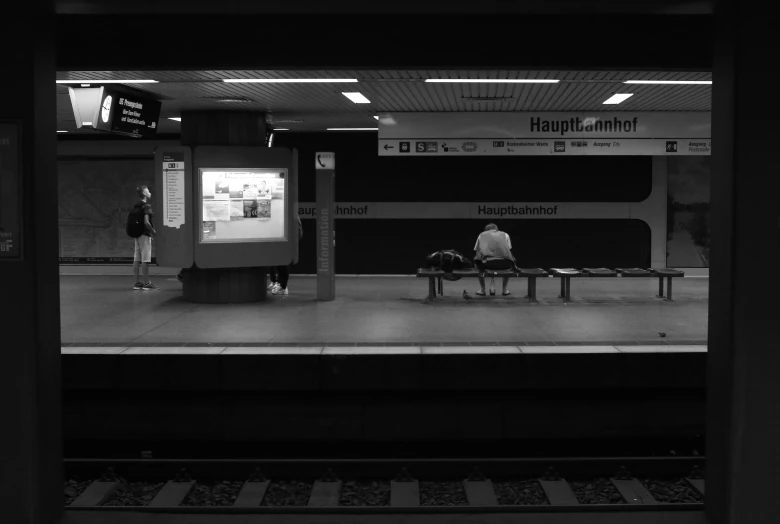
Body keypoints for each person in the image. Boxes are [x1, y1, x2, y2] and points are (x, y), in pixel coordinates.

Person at [473, 223, 516, 296]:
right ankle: (505, 290)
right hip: (505, 264)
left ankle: (482, 290)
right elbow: (508, 249)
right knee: (510, 259)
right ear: (497, 229)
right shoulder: (505, 234)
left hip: (486, 264)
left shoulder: (481, 235)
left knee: (477, 262)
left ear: (485, 230)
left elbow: (477, 250)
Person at [132, 185, 160, 290]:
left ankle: (137, 283)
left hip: (137, 234)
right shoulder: (146, 206)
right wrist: (153, 232)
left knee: (136, 258)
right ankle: (147, 283)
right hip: (145, 234)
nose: (150, 192)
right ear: (144, 193)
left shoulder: (136, 205)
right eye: (148, 190)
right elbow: (147, 223)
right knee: (145, 259)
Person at [268, 216, 303, 296]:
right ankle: (276, 282)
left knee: (284, 262)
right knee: (276, 261)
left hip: (287, 241)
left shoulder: (292, 216)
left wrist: (292, 241)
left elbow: (298, 232)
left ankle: (282, 286)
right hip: (278, 240)